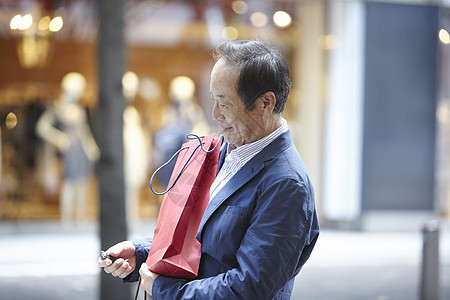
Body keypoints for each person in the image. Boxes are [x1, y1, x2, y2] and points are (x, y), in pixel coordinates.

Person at [98, 39, 319, 299]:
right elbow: (203, 237)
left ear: (265, 104)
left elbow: (249, 288)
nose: (214, 114)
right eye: (213, 99)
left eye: (224, 103)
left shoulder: (287, 185)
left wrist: (165, 290)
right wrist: (142, 253)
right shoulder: (225, 148)